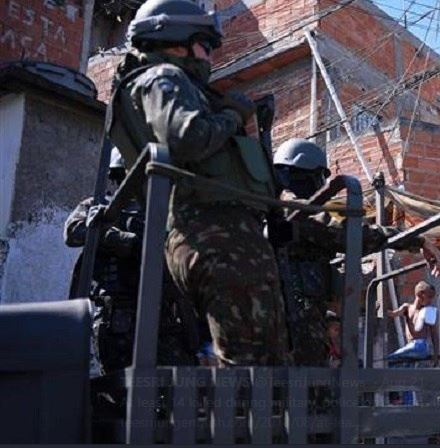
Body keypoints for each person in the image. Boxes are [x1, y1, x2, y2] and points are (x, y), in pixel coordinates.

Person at [107, 0, 288, 366]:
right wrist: (231, 116)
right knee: (250, 370)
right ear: (177, 40)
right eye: (205, 45)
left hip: (215, 233)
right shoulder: (163, 77)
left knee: (261, 366)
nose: (209, 57)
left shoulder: (161, 82)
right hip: (214, 233)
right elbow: (187, 136)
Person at [270, 138, 440, 366]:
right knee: (309, 386)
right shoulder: (293, 211)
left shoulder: (276, 208)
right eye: (319, 178)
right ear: (306, 174)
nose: (322, 186)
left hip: (292, 311)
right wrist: (417, 239)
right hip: (296, 315)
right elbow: (352, 235)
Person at [64, 148, 197, 372]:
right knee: (120, 389)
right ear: (117, 176)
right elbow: (73, 232)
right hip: (119, 318)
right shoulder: (99, 206)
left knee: (175, 386)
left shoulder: (163, 213)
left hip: (162, 317)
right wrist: (121, 239)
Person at [386, 281, 440, 362]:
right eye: (429, 297)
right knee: (399, 364)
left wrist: (436, 354)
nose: (430, 301)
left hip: (420, 345)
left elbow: (434, 334)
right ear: (420, 294)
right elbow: (393, 314)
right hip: (410, 345)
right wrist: (380, 308)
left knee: (391, 359)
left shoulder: (427, 311)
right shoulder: (407, 308)